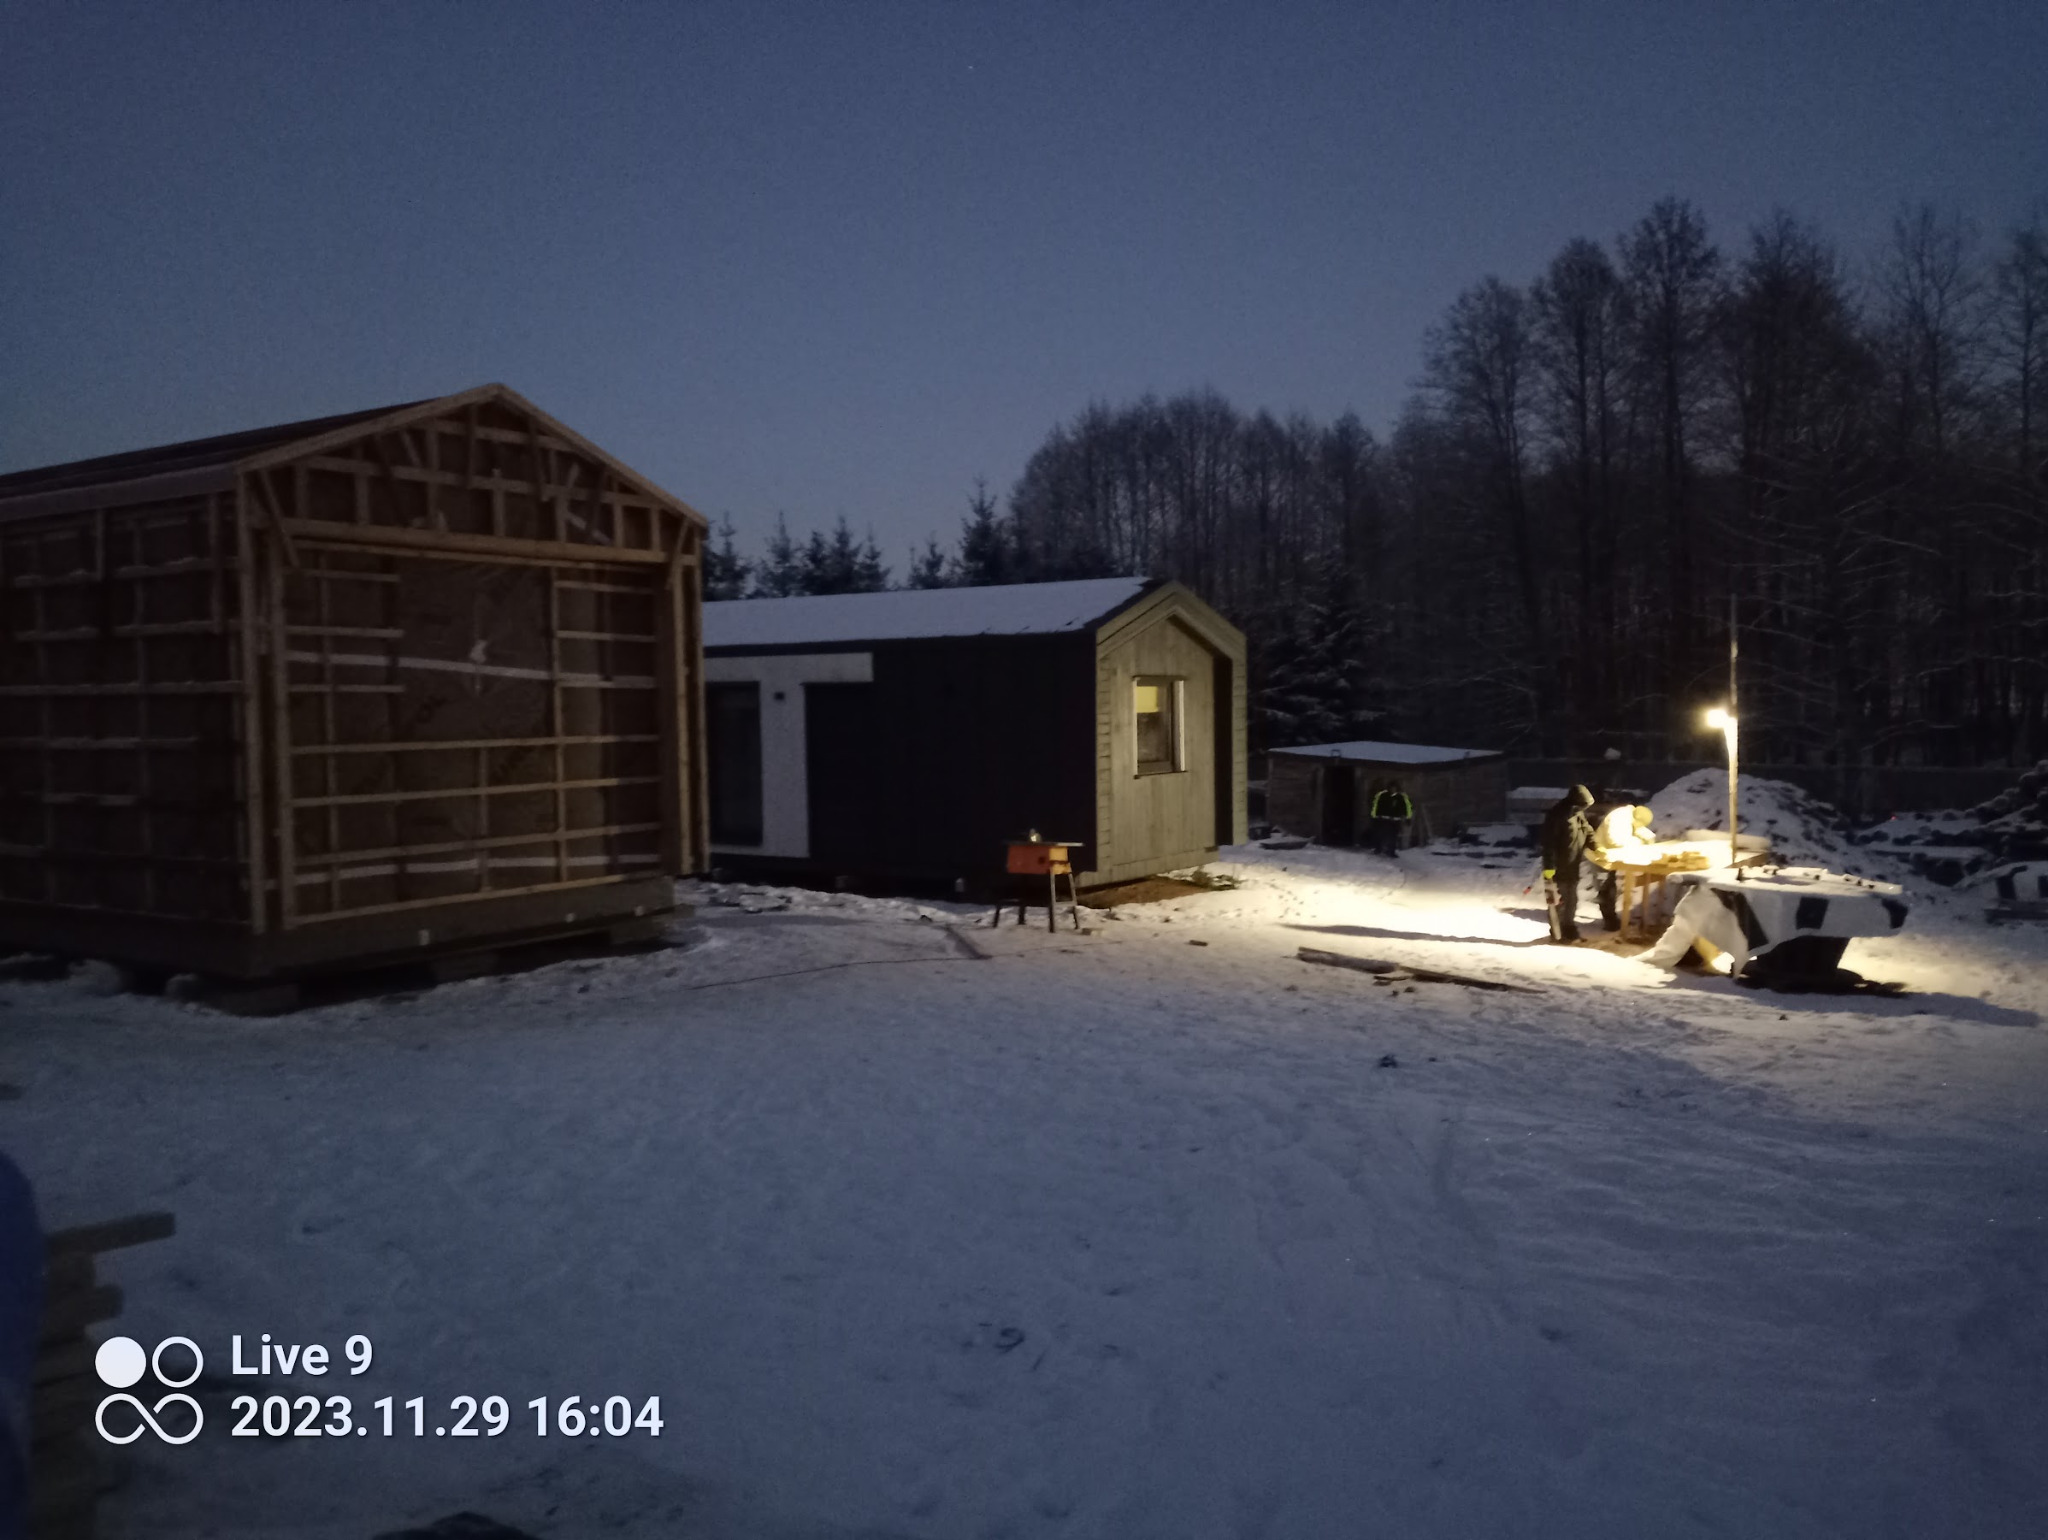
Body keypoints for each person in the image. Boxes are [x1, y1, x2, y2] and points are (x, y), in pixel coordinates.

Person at [1538, 784, 1597, 942]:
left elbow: (1587, 829)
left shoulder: (1577, 813)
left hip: (1572, 865)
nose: (1585, 809)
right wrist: (1549, 867)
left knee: (1572, 900)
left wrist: (1596, 846)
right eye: (1584, 805)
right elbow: (1548, 843)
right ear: (1576, 802)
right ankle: (1558, 933)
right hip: (1559, 867)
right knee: (1560, 902)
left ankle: (1569, 929)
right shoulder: (1557, 815)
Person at [1585, 802, 1656, 932]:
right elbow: (1616, 841)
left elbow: (1637, 828)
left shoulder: (1631, 816)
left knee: (1610, 887)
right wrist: (1640, 843)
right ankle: (1610, 922)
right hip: (1600, 857)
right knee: (1605, 890)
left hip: (1609, 857)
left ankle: (1612, 919)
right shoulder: (1619, 818)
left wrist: (1648, 837)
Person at [1369, 780, 1413, 858]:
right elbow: (1376, 806)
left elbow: (1407, 808)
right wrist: (1374, 816)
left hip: (1395, 820)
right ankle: (1378, 848)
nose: (1393, 789)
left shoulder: (1401, 797)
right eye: (1391, 788)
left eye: (1394, 788)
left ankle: (1391, 851)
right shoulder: (1382, 795)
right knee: (1380, 834)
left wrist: (1408, 818)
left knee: (1393, 836)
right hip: (1383, 819)